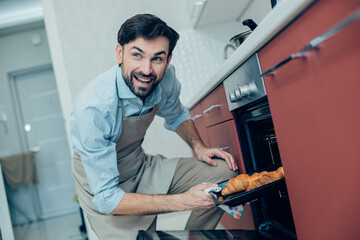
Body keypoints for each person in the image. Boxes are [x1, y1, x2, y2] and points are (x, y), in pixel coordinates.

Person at [70, 13, 238, 239]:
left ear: (168, 60)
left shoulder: (165, 79)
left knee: (223, 173)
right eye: (137, 55)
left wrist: (199, 147)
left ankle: (196, 236)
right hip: (102, 189)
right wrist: (183, 201)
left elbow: (177, 114)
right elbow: (107, 198)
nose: (147, 70)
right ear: (120, 54)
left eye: (157, 59)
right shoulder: (93, 109)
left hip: (139, 167)